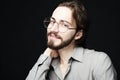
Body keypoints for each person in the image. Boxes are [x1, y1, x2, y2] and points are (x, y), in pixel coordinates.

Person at [26, 0, 117, 80]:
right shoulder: (46, 64)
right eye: (52, 21)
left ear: (78, 34)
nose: (53, 29)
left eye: (64, 25)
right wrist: (47, 54)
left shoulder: (98, 61)